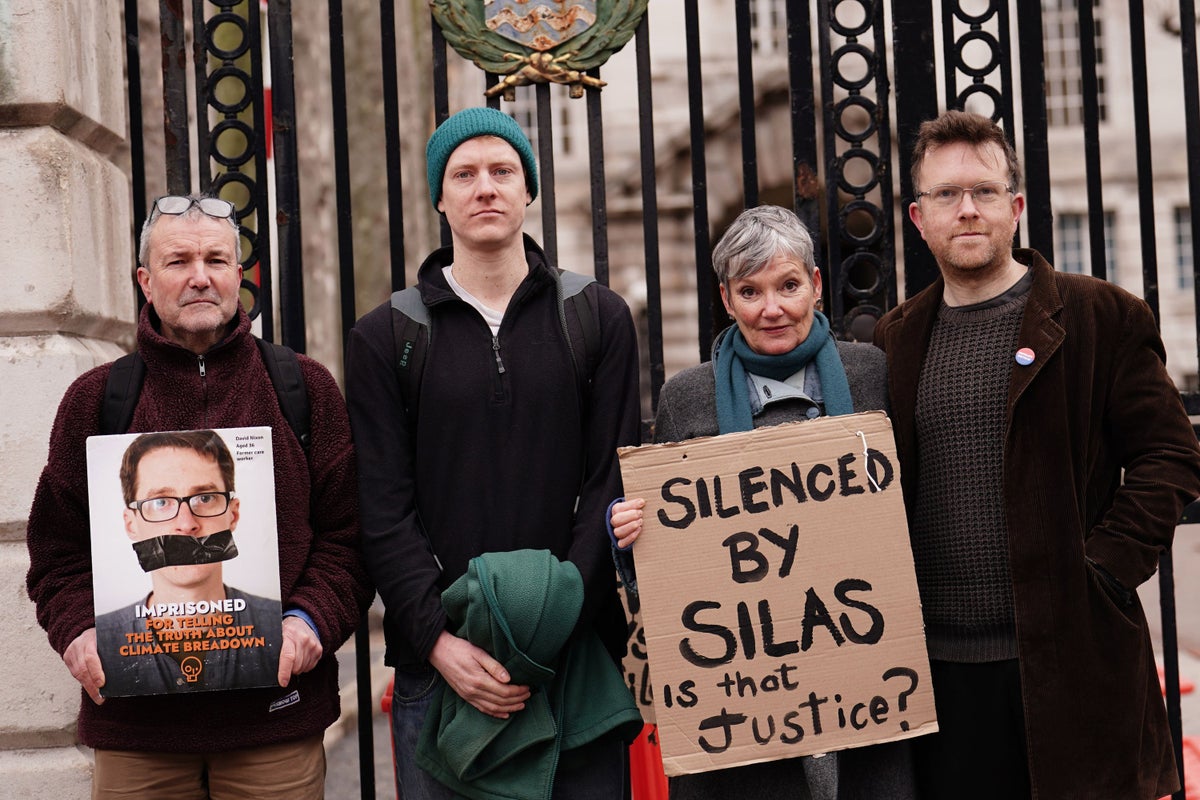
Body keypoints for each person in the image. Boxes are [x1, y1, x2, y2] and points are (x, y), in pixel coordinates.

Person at [872, 109, 1200, 799]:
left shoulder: (1101, 317)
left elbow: (1169, 453)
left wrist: (1106, 569)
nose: (967, 210)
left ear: (1015, 208)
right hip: (938, 679)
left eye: (985, 192)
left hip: (1070, 664)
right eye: (947, 195)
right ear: (917, 217)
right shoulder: (894, 339)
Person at [26, 194, 374, 799]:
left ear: (239, 275)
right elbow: (55, 555)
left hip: (274, 725)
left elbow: (350, 538)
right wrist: (80, 632)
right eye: (177, 261)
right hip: (137, 736)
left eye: (216, 259)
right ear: (145, 279)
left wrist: (308, 622)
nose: (199, 277)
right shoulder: (94, 401)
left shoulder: (304, 389)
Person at [345, 106, 643, 799]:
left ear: (528, 190)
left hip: (575, 661)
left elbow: (611, 482)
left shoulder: (596, 318)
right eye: (465, 174)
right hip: (444, 671)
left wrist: (557, 620)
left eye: (503, 171)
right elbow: (384, 509)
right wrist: (437, 643)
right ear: (439, 197)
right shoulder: (385, 337)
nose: (486, 187)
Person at [609, 204, 915, 800]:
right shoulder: (686, 398)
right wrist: (632, 531)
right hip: (747, 699)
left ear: (817, 286)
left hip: (864, 680)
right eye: (750, 291)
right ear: (726, 299)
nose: (771, 308)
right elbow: (672, 567)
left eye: (788, 286)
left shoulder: (874, 375)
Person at [94, 430, 282, 696]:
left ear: (233, 514)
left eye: (205, 498)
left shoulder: (281, 628)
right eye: (160, 502)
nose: (186, 524)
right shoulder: (99, 643)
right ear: (131, 524)